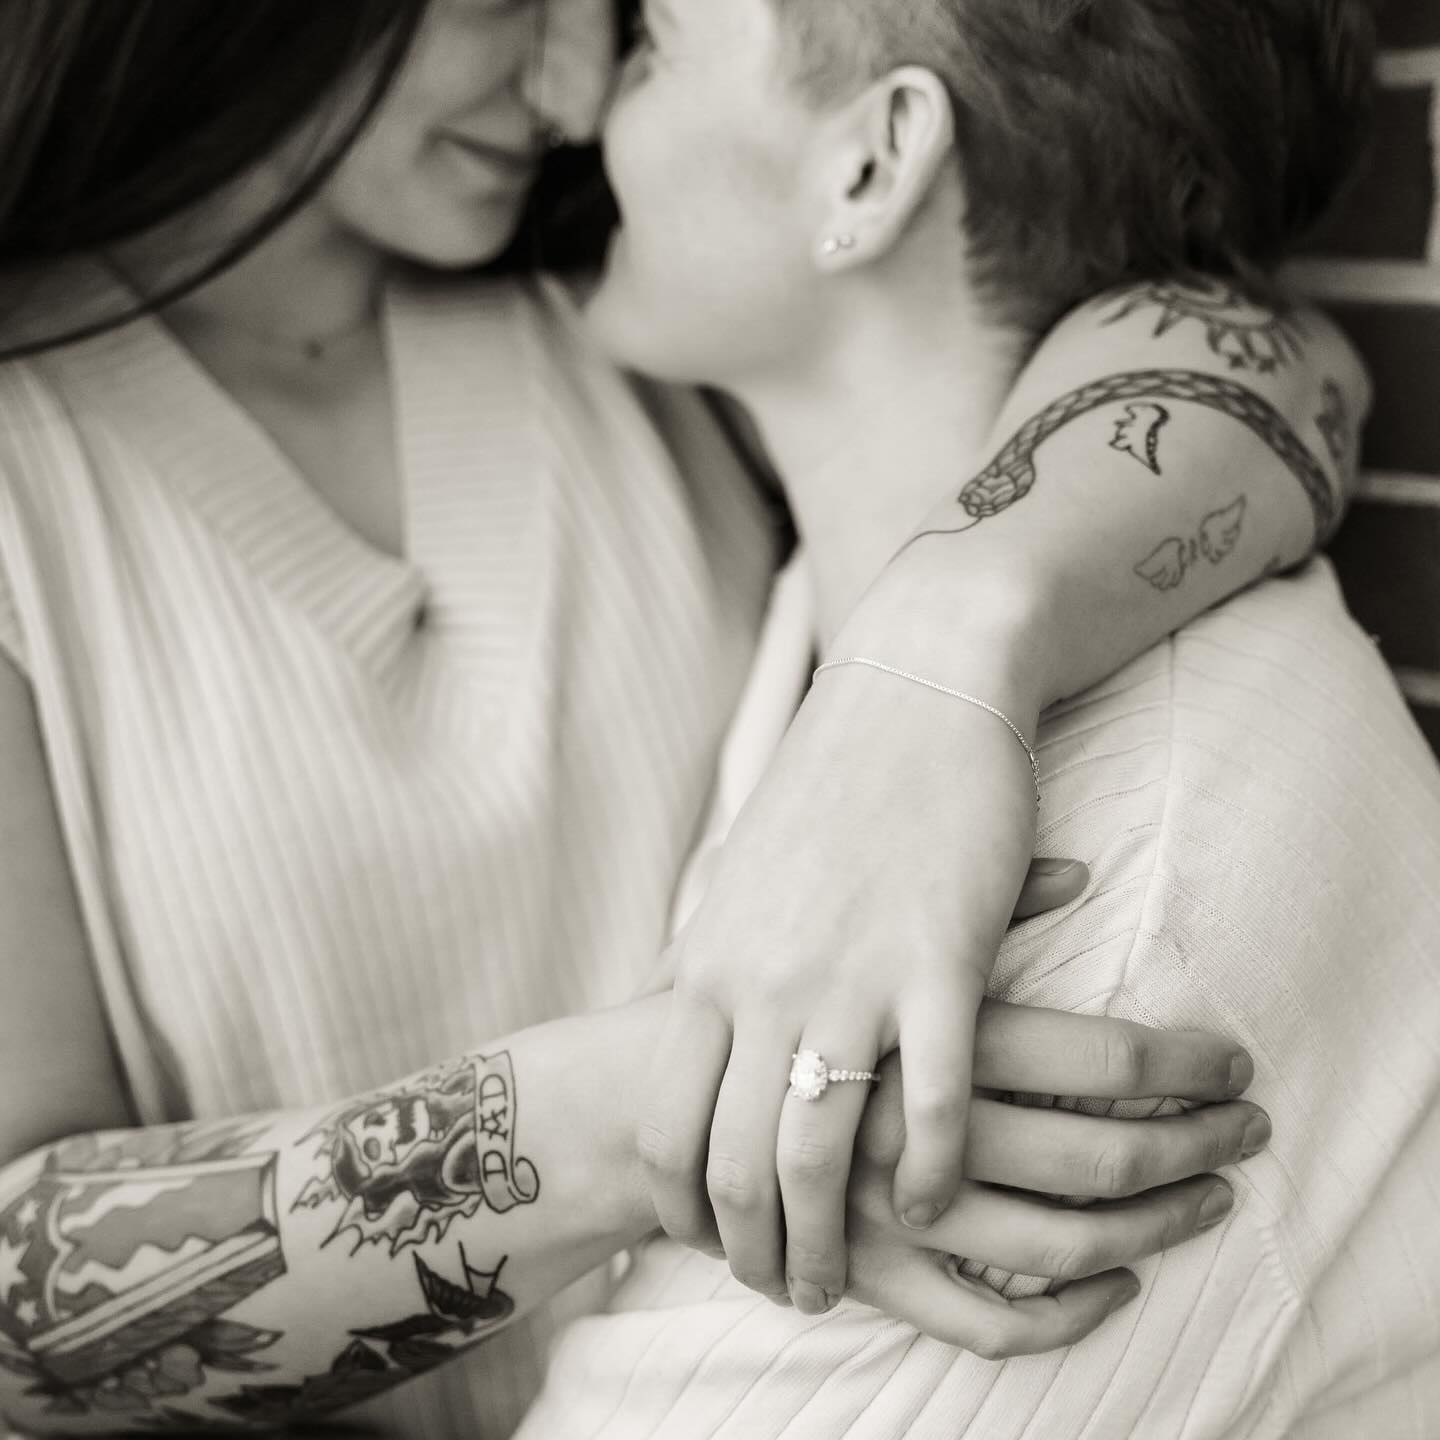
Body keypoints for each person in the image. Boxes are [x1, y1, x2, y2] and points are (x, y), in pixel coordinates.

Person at [0, 1, 1366, 1436]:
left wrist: (929, 670)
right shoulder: (35, 466)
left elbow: (1286, 363)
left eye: (621, 15)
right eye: (512, 1)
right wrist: (671, 1114)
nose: (576, 85)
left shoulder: (623, 313)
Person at [511, 0, 1440, 1434]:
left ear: (872, 166)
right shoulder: (838, 617)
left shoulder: (1080, 925)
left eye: (651, 43)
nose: (573, 104)